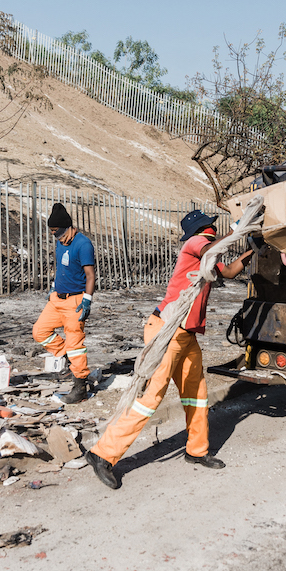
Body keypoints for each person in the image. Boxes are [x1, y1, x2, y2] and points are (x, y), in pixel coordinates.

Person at [85, 209, 254, 489]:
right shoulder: (194, 245)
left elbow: (232, 270)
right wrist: (238, 229)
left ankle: (196, 450)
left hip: (186, 335)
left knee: (196, 394)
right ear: (201, 229)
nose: (212, 228)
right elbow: (212, 246)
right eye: (209, 226)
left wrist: (251, 250)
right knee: (150, 397)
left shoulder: (208, 259)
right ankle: (102, 454)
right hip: (167, 331)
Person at [32, 203, 96, 404]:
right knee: (39, 331)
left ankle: (80, 388)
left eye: (58, 233)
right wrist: (54, 286)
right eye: (53, 234)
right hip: (57, 298)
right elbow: (61, 267)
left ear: (68, 227)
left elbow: (90, 275)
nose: (57, 238)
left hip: (75, 301)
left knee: (76, 343)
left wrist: (87, 300)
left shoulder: (83, 244)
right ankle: (70, 360)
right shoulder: (61, 243)